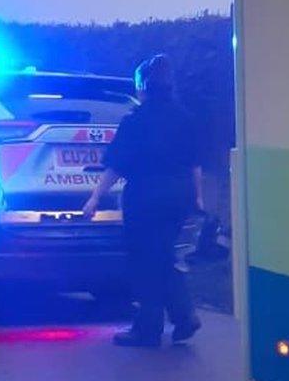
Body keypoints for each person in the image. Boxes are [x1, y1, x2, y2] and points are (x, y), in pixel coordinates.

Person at [83, 54, 203, 347]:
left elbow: (116, 165)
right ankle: (183, 315)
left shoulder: (136, 121)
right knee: (162, 255)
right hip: (179, 195)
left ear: (142, 86)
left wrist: (94, 198)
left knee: (144, 261)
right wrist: (196, 198)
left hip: (147, 197)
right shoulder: (185, 118)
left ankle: (149, 329)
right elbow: (194, 163)